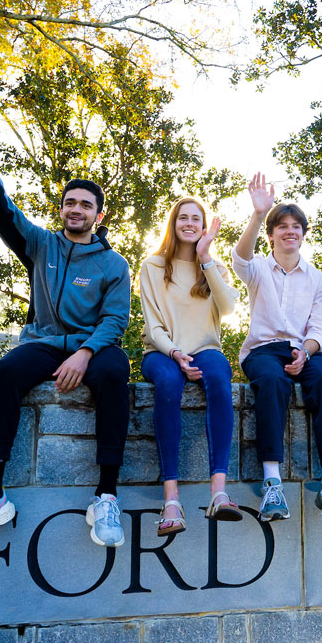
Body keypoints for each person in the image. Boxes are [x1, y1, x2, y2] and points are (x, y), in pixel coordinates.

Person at [0, 94, 132, 549]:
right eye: (70, 203)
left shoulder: (113, 263)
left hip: (93, 345)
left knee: (115, 373)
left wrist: (86, 352)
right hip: (44, 342)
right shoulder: (40, 245)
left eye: (86, 205)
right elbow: (0, 207)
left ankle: (106, 495)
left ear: (98, 215)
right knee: (6, 372)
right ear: (61, 208)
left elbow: (116, 320)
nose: (76, 210)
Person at [232, 173, 322, 522]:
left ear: (302, 234)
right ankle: (272, 482)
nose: (290, 231)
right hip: (264, 350)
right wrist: (257, 214)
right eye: (282, 226)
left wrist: (307, 352)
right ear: (271, 235)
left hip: (305, 349)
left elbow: (318, 325)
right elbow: (239, 257)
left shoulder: (316, 278)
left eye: (296, 226)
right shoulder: (257, 269)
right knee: (272, 383)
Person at [139, 197, 242, 536]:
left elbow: (228, 307)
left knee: (219, 374)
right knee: (168, 384)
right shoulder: (152, 266)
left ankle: (219, 492)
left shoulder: (214, 267)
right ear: (173, 222)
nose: (189, 223)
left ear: (203, 226)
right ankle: (171, 498)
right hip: (163, 351)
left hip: (206, 348)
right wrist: (175, 353)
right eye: (183, 217)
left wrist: (206, 258)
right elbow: (153, 325)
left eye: (196, 219)